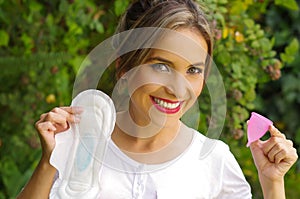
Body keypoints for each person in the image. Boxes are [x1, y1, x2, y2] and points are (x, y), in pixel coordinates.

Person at [17, 0, 298, 198]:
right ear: (124, 67)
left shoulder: (214, 162)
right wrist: (49, 162)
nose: (177, 89)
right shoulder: (80, 144)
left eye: (193, 70)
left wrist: (272, 184)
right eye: (161, 66)